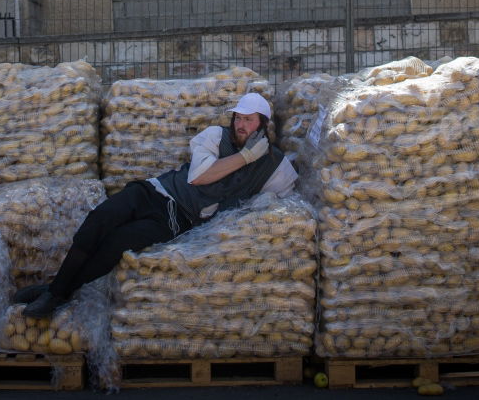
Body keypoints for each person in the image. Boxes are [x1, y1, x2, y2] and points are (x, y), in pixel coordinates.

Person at [16, 91, 297, 318]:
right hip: (156, 191)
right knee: (101, 218)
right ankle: (55, 291)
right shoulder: (215, 135)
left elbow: (284, 196)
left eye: (249, 120)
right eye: (238, 117)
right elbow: (199, 177)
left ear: (263, 125)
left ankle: (56, 292)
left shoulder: (274, 165)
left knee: (116, 245)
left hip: (177, 220)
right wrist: (245, 157)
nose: (240, 124)